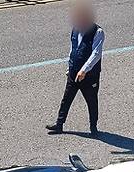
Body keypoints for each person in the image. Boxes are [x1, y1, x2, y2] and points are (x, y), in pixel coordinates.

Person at [46, 0, 105, 137]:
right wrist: (70, 67)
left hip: (89, 76)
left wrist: (84, 70)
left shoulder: (98, 32)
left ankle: (93, 129)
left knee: (91, 101)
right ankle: (59, 125)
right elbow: (73, 49)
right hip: (74, 73)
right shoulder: (76, 29)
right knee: (66, 99)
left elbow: (96, 54)